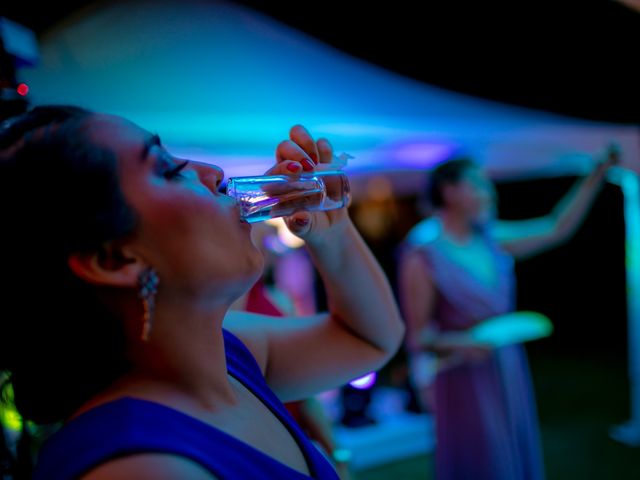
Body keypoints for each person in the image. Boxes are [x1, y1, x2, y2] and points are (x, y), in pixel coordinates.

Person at [0, 105, 404, 479]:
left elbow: (367, 339)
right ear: (113, 259)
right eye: (168, 170)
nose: (213, 172)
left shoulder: (232, 356)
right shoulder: (141, 467)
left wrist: (331, 233)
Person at [398, 148, 617, 480]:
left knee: (513, 453)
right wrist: (463, 343)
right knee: (482, 460)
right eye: (480, 185)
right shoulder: (423, 255)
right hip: (463, 377)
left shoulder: (489, 238)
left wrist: (595, 176)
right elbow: (419, 338)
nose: (491, 194)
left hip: (506, 366)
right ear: (450, 191)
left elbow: (556, 227)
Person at [231, 222, 353, 479]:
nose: (275, 252)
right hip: (254, 430)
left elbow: (305, 392)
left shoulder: (280, 299)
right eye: (268, 244)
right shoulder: (228, 302)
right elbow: (231, 347)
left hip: (292, 422)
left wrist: (334, 450)